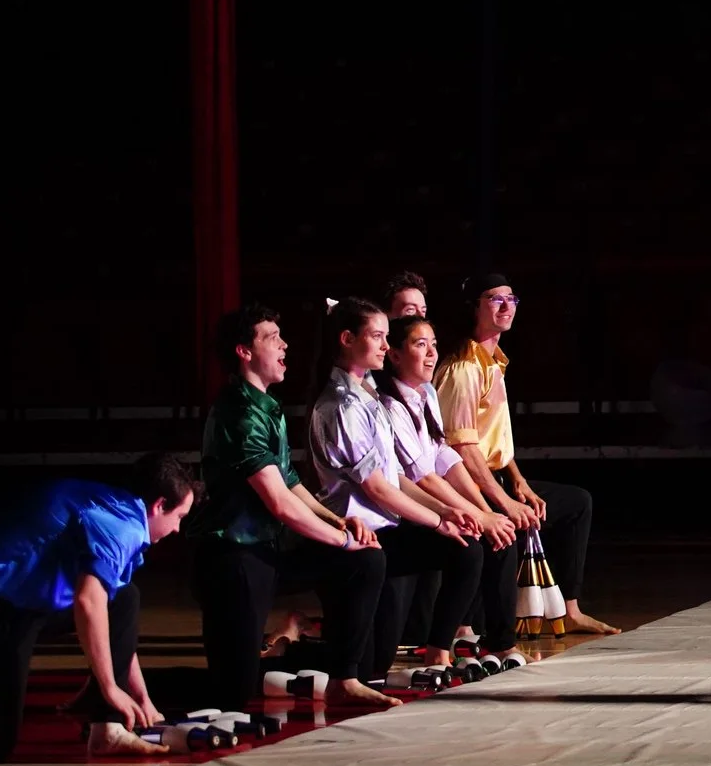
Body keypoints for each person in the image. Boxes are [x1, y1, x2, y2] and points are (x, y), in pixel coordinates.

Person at [193, 303, 396, 711]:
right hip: (234, 555)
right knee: (233, 691)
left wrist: (340, 521)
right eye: (272, 338)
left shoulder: (268, 405)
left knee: (365, 560)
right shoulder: (239, 412)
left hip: (269, 549)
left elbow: (292, 484)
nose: (284, 345)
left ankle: (344, 678)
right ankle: (118, 689)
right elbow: (280, 503)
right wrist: (341, 540)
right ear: (244, 352)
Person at [308, 298, 486, 678]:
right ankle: (291, 647)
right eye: (377, 337)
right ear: (347, 339)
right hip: (359, 535)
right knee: (371, 664)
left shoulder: (369, 393)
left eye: (387, 337)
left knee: (465, 547)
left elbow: (396, 478)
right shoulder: (343, 405)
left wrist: (445, 511)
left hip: (387, 530)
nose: (386, 346)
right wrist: (437, 521)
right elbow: (377, 489)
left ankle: (438, 649)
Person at [436, 274, 615, 634]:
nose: (506, 306)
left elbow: (493, 438)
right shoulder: (464, 368)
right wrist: (503, 500)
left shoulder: (494, 362)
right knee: (509, 526)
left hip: (494, 474)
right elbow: (461, 446)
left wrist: (518, 481)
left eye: (512, 299)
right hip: (466, 482)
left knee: (576, 503)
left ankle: (569, 609)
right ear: (474, 307)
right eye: (495, 299)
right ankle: (466, 625)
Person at [0, 453, 194, 761]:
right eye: (180, 516)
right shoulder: (123, 528)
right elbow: (88, 602)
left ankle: (107, 730)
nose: (178, 529)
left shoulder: (117, 507)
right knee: (1, 741)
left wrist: (142, 697)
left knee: (125, 598)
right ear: (159, 506)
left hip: (26, 604)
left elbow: (114, 624)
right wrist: (110, 688)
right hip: (5, 608)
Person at [376, 313, 520, 655]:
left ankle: (501, 643)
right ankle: (439, 646)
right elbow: (421, 476)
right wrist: (476, 516)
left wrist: (487, 511)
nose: (431, 354)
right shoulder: (389, 405)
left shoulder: (426, 392)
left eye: (434, 345)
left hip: (431, 499)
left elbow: (445, 457)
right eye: (420, 345)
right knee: (468, 546)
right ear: (395, 355)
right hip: (405, 511)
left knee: (501, 532)